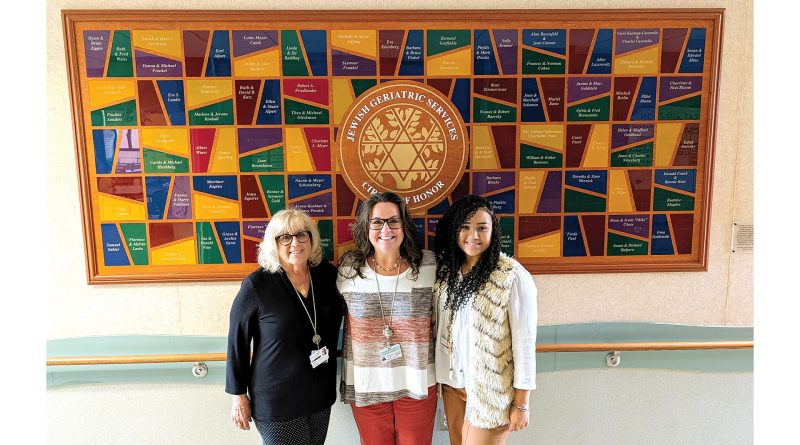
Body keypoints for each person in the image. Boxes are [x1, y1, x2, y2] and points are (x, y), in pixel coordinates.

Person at [226, 208, 343, 445]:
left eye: (302, 235)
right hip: (278, 401)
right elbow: (237, 341)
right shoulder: (257, 285)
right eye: (285, 238)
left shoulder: (327, 276)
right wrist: (238, 395)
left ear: (311, 239)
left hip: (319, 395)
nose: (295, 243)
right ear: (274, 243)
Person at [433, 195, 538, 445]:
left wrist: (522, 404)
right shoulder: (447, 272)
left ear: (493, 231)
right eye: (465, 227)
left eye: (482, 228)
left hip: (491, 391)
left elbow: (524, 344)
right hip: (453, 386)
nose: (473, 235)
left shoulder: (511, 276)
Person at [337, 191, 438, 445]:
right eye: (377, 222)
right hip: (367, 383)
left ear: (404, 225)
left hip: (416, 381)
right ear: (366, 226)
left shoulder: (428, 265)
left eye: (393, 221)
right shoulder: (349, 268)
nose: (386, 229)